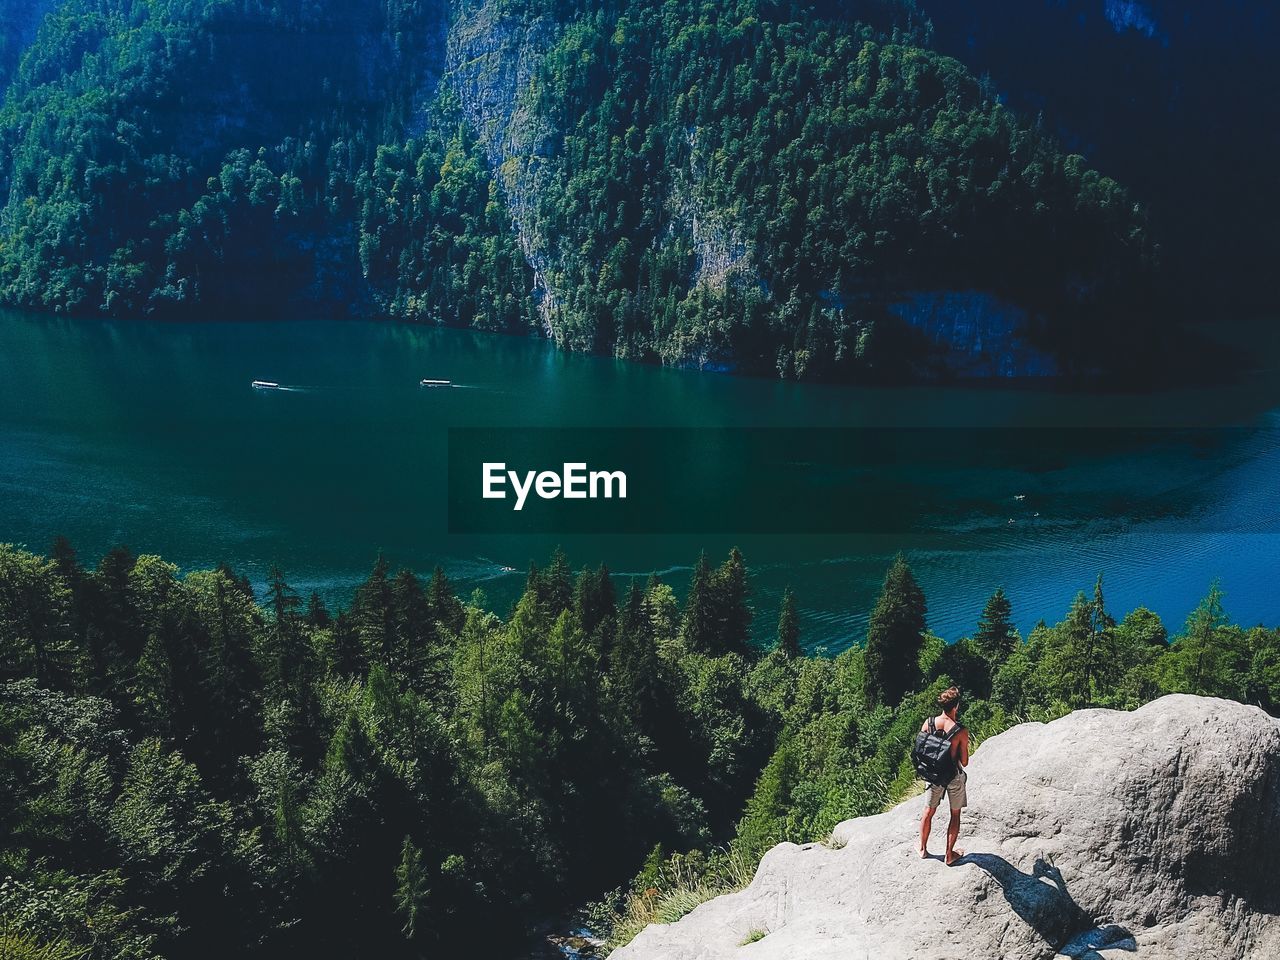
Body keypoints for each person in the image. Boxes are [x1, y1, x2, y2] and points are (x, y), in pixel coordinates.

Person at [918, 686, 970, 865]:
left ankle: (923, 849)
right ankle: (949, 854)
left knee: (928, 812)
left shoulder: (929, 723)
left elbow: (921, 749)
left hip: (933, 776)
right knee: (955, 814)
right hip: (952, 776)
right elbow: (964, 761)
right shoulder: (960, 731)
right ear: (956, 706)